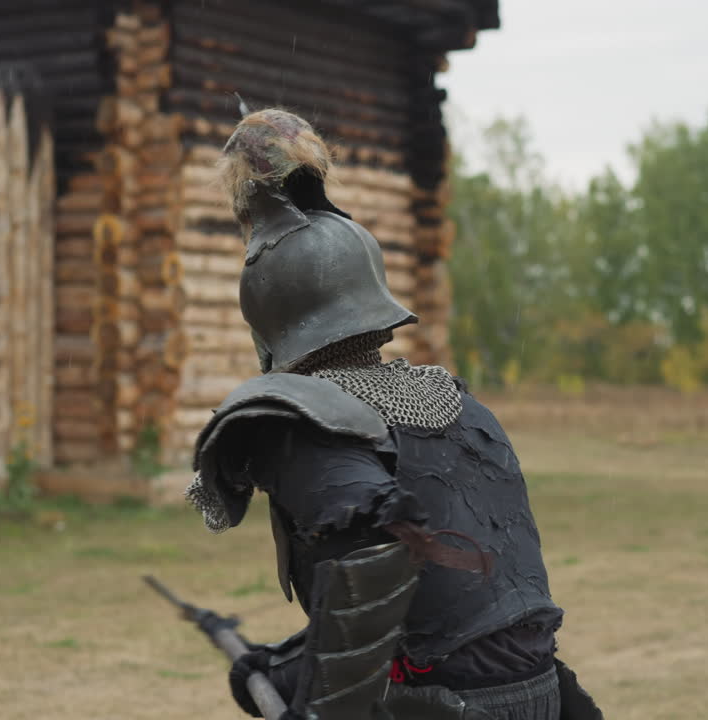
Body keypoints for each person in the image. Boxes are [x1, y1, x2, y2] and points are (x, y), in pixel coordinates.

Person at [184, 107, 602, 720]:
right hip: (534, 693)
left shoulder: (297, 422)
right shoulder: (461, 407)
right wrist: (280, 668)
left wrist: (315, 710)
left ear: (270, 319)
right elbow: (431, 607)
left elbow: (374, 560)